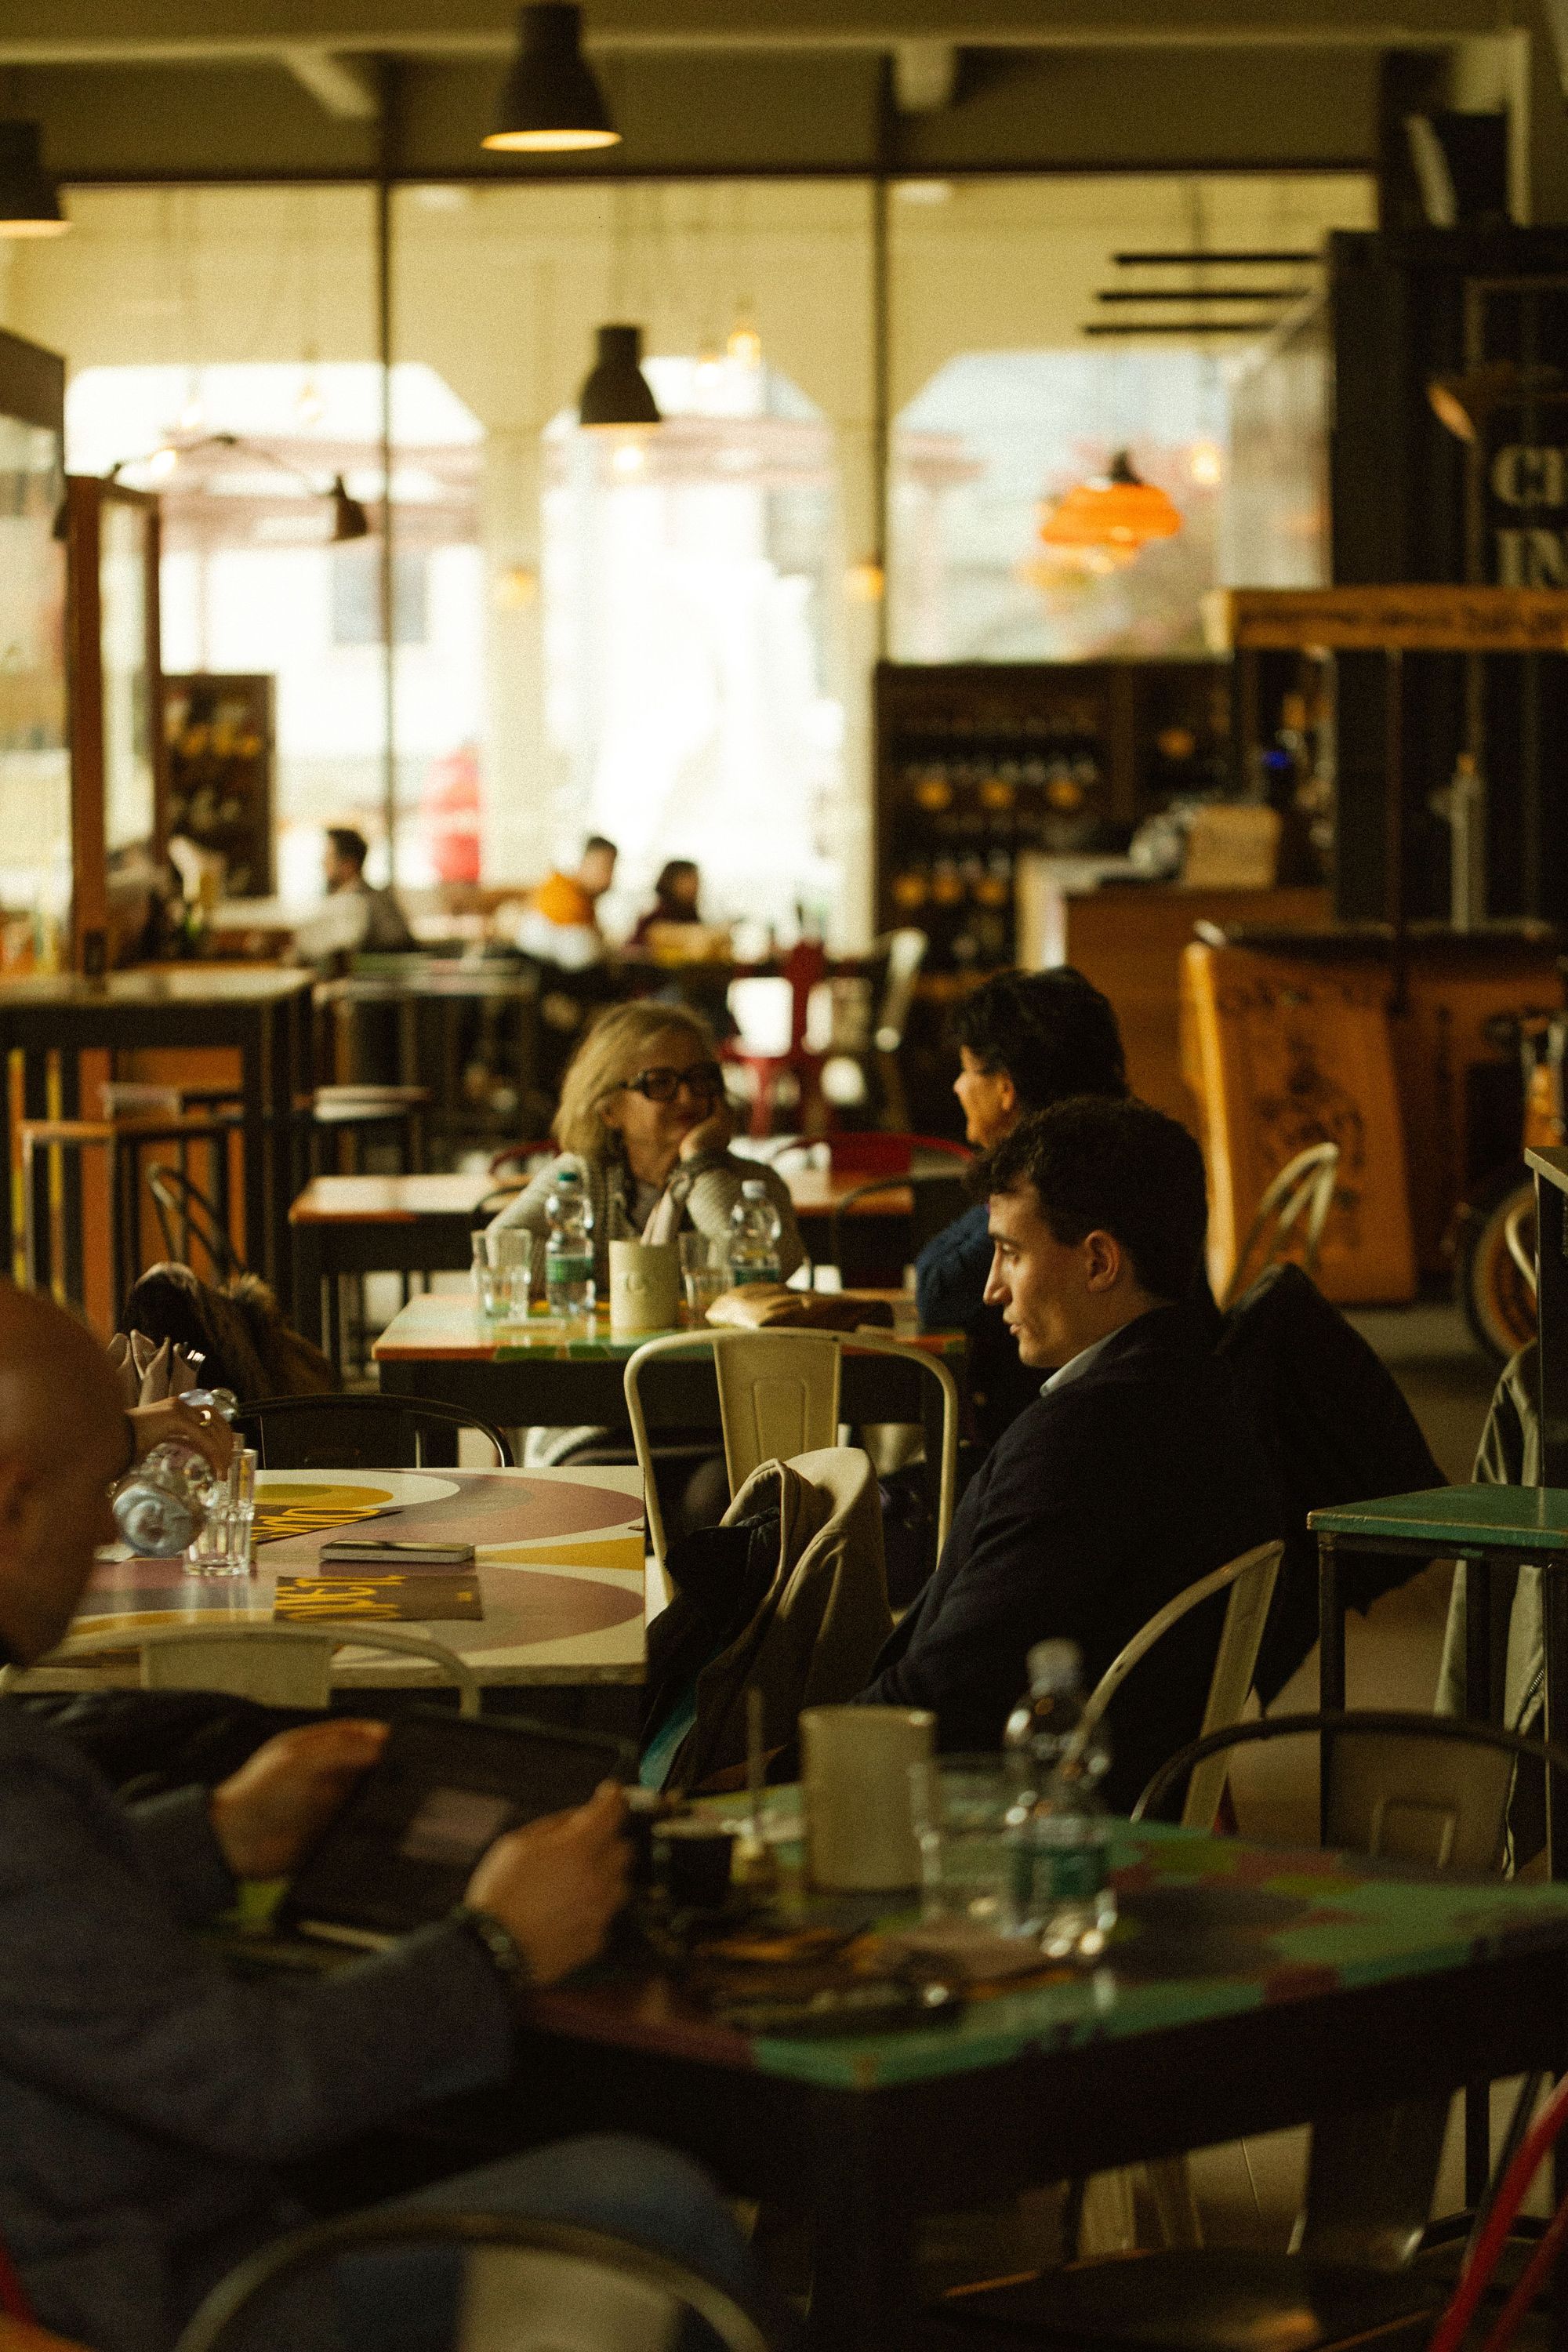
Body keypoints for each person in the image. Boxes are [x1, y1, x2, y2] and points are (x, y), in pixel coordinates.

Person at [0, 1283, 777, 2352]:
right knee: (654, 2204)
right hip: (166, 2301)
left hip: (134, 2238)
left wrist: (220, 1835)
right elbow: (259, 2084)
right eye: (102, 1489)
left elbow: (40, 1938)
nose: (109, 1526)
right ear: (11, 1503)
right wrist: (497, 1944)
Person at [856, 1097, 1282, 1810]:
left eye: (1011, 1253)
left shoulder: (1086, 1440)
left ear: (1098, 1262)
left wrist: (775, 1768)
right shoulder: (1200, 1380)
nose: (991, 1290)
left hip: (1034, 1816)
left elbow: (952, 1695)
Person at [915, 968, 1130, 1448]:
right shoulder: (1129, 1144)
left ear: (1007, 1088)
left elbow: (939, 1286)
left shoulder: (1051, 1179)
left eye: (968, 1071)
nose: (957, 1088)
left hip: (1067, 1440)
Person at [489, 1002, 801, 1305]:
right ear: (609, 1109)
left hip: (709, 1357)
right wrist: (628, 1282)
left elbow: (772, 1272)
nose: (687, 1096)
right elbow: (501, 1247)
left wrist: (699, 1163)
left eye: (700, 1078)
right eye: (660, 1083)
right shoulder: (583, 1177)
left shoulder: (753, 1183)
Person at [516, 836, 619, 971]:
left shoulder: (585, 901)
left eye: (612, 869)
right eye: (605, 867)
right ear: (585, 863)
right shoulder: (561, 895)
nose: (610, 877)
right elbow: (583, 957)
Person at [318, 826, 416, 953]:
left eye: (328, 857)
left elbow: (398, 946)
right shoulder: (337, 899)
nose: (323, 863)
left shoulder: (373, 901)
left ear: (349, 865)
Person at [630, 858, 702, 950]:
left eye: (696, 881)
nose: (694, 887)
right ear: (670, 882)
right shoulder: (654, 920)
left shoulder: (692, 917)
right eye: (687, 880)